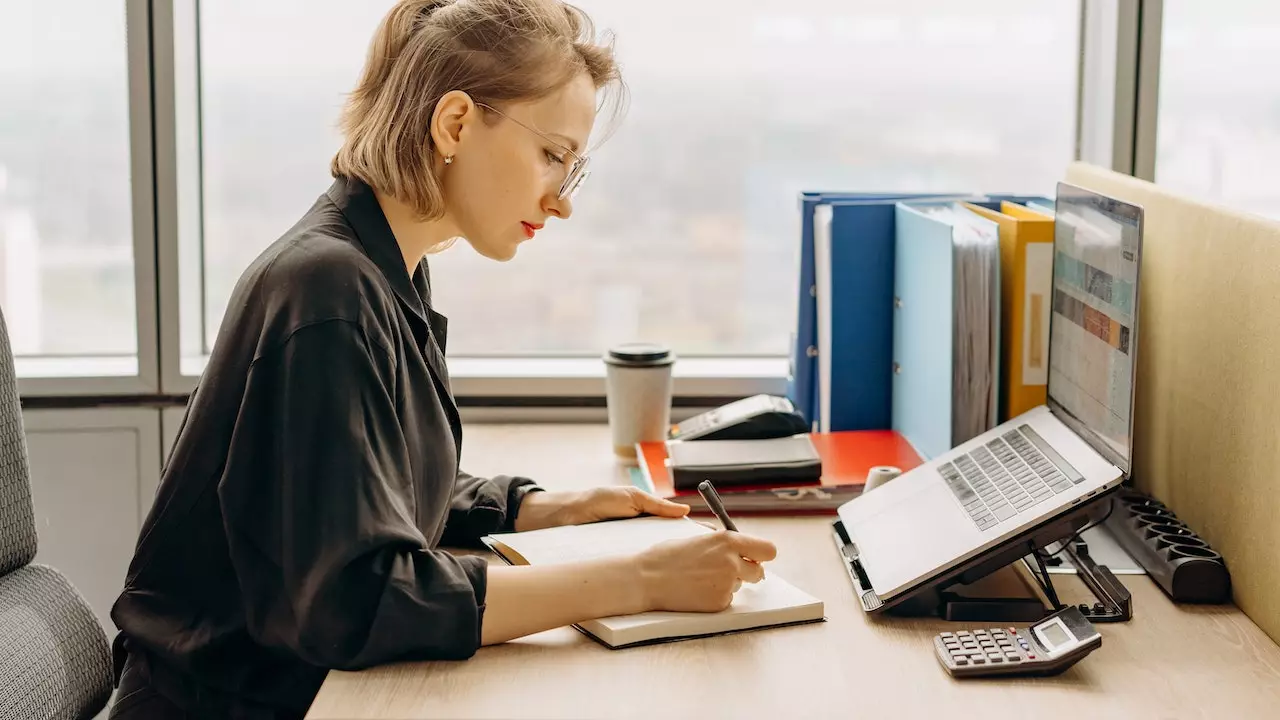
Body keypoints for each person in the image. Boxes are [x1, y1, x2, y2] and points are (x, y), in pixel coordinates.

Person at [107, 0, 777, 717]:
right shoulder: (328, 289)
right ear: (455, 123)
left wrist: (533, 508)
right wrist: (639, 580)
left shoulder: (384, 268)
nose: (562, 203)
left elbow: (355, 490)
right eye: (553, 154)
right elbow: (357, 602)